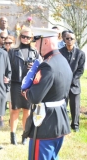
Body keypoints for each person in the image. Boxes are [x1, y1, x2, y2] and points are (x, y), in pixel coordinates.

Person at [22, 27, 72, 160]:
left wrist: (25, 91)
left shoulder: (47, 65)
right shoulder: (62, 60)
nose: (35, 45)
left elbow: (34, 97)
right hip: (59, 120)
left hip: (45, 124)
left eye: (37, 42)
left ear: (45, 42)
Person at [8, 27, 41, 145]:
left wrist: (34, 67)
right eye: (23, 36)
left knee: (27, 111)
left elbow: (40, 68)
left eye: (28, 37)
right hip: (16, 83)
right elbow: (8, 67)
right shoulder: (12, 50)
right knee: (15, 110)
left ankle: (25, 135)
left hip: (29, 85)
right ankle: (13, 136)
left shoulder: (35, 51)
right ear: (20, 37)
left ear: (31, 38)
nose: (25, 39)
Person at [59, 31, 85, 132]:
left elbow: (80, 70)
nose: (69, 40)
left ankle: (75, 125)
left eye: (72, 39)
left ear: (75, 40)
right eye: (67, 38)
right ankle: (62, 124)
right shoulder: (60, 52)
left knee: (75, 107)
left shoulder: (80, 54)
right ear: (64, 40)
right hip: (62, 84)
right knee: (62, 106)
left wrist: (71, 80)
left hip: (74, 85)